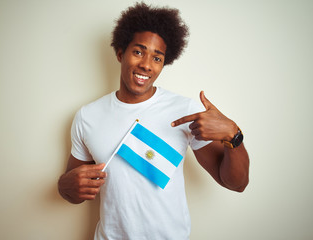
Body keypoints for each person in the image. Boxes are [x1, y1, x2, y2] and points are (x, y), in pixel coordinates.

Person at [58, 2, 249, 239]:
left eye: (157, 58)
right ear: (120, 53)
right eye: (138, 52)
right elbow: (73, 189)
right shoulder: (87, 116)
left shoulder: (185, 111)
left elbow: (235, 183)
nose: (146, 65)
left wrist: (234, 135)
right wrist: (63, 187)